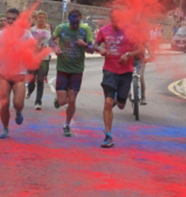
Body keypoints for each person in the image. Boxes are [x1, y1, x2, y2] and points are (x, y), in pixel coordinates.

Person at [96, 9, 142, 148]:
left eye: (118, 19)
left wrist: (128, 54)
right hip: (109, 70)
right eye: (112, 19)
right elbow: (95, 44)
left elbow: (141, 50)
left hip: (126, 71)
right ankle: (108, 136)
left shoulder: (132, 31)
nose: (115, 22)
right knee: (108, 102)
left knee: (121, 105)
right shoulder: (104, 30)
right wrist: (100, 49)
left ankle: (120, 99)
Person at [0, 8, 33, 139]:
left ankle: (19, 112)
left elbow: (33, 50)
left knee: (18, 104)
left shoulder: (26, 34)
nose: (9, 21)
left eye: (13, 19)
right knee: (4, 103)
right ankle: (5, 128)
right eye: (8, 18)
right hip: (4, 74)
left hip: (19, 75)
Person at [52, 9, 94, 137]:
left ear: (80, 19)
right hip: (62, 69)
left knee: (72, 100)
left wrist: (85, 44)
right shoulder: (61, 28)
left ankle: (67, 125)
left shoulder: (85, 30)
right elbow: (50, 40)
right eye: (72, 23)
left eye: (76, 23)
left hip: (77, 70)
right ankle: (58, 100)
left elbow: (91, 49)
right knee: (62, 101)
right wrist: (56, 48)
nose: (74, 26)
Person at [27, 10, 55, 110]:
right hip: (33, 57)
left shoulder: (48, 30)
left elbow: (51, 41)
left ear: (46, 19)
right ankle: (29, 91)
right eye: (39, 17)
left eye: (43, 18)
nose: (41, 19)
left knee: (40, 79)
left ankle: (38, 101)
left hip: (44, 57)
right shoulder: (31, 29)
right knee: (31, 78)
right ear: (37, 18)